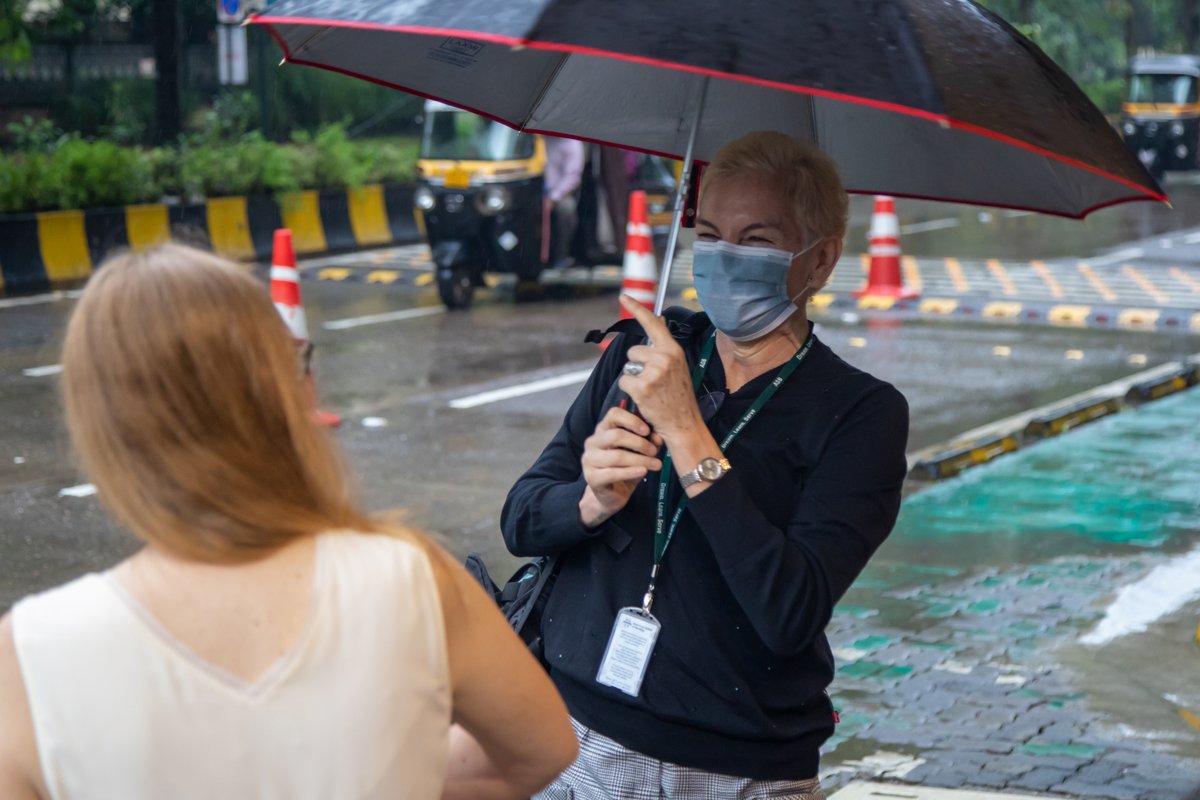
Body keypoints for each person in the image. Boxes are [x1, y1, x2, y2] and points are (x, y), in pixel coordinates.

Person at [0, 243, 577, 800]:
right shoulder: (412, 577)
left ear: (95, 429)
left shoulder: (31, 655)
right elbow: (541, 750)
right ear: (289, 390)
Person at [502, 131, 909, 799]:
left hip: (737, 764)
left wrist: (687, 429)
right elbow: (522, 517)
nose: (724, 259)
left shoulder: (860, 414)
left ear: (821, 259)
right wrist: (590, 501)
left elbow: (788, 610)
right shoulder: (644, 354)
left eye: (755, 241)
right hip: (576, 738)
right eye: (712, 234)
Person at [544, 136, 586, 268]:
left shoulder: (571, 142)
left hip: (558, 193)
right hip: (532, 191)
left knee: (566, 210)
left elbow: (573, 176)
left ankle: (561, 255)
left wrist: (553, 197)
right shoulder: (536, 139)